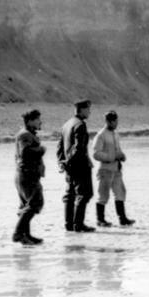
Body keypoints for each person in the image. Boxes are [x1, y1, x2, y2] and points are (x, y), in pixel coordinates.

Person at [57, 99, 95, 232]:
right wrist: (72, 161)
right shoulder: (80, 124)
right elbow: (79, 148)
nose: (90, 111)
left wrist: (62, 162)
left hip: (69, 166)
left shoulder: (66, 124)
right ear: (82, 109)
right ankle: (78, 224)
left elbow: (60, 147)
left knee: (70, 194)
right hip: (79, 165)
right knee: (85, 194)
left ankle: (69, 224)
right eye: (88, 109)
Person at [91, 110, 135, 227]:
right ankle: (100, 219)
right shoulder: (100, 135)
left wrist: (122, 156)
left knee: (121, 192)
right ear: (108, 121)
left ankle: (122, 218)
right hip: (105, 169)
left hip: (116, 169)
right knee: (103, 195)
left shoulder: (115, 134)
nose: (116, 123)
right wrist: (113, 157)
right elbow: (96, 154)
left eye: (116, 121)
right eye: (114, 121)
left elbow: (117, 149)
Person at [13, 109, 46, 245]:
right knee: (35, 203)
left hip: (25, 175)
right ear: (30, 121)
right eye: (38, 119)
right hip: (27, 175)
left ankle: (26, 236)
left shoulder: (27, 134)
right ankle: (18, 233)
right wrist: (41, 150)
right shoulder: (25, 135)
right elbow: (25, 152)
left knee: (26, 205)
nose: (40, 122)